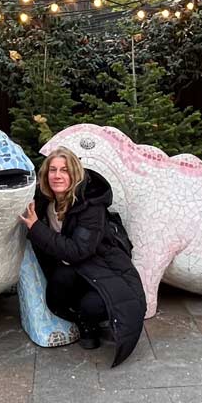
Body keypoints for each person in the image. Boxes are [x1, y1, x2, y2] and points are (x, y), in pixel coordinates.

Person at [19, 147, 146, 367]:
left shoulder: (90, 205)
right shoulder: (45, 202)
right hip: (77, 271)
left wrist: (36, 228)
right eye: (53, 170)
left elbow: (78, 250)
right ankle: (83, 318)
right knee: (59, 282)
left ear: (75, 174)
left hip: (105, 268)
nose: (57, 175)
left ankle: (89, 322)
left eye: (64, 170)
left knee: (91, 305)